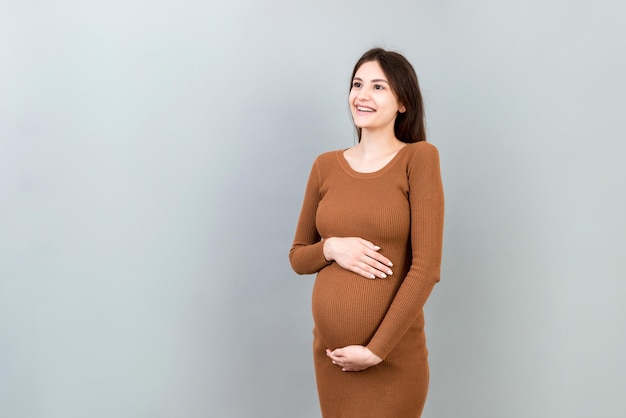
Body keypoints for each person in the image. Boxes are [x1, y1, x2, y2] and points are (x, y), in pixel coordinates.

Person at [289, 47, 444, 418]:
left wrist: (376, 350)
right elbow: (298, 256)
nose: (362, 95)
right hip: (333, 360)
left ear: (402, 102)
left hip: (391, 360)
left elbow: (425, 269)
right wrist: (331, 248)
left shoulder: (418, 159)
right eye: (357, 84)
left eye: (378, 87)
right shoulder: (325, 166)